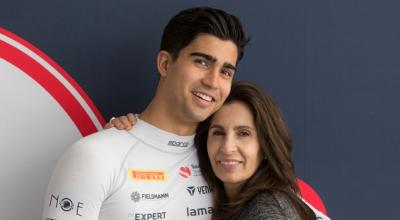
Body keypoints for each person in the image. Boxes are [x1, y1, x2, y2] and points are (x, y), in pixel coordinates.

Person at [43, 7, 248, 220]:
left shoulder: (224, 160)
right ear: (165, 64)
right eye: (202, 62)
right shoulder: (93, 156)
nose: (213, 82)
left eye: (225, 72)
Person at [108, 81, 323, 220]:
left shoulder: (265, 209)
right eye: (218, 133)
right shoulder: (228, 198)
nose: (227, 147)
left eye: (243, 134)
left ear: (266, 146)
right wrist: (127, 133)